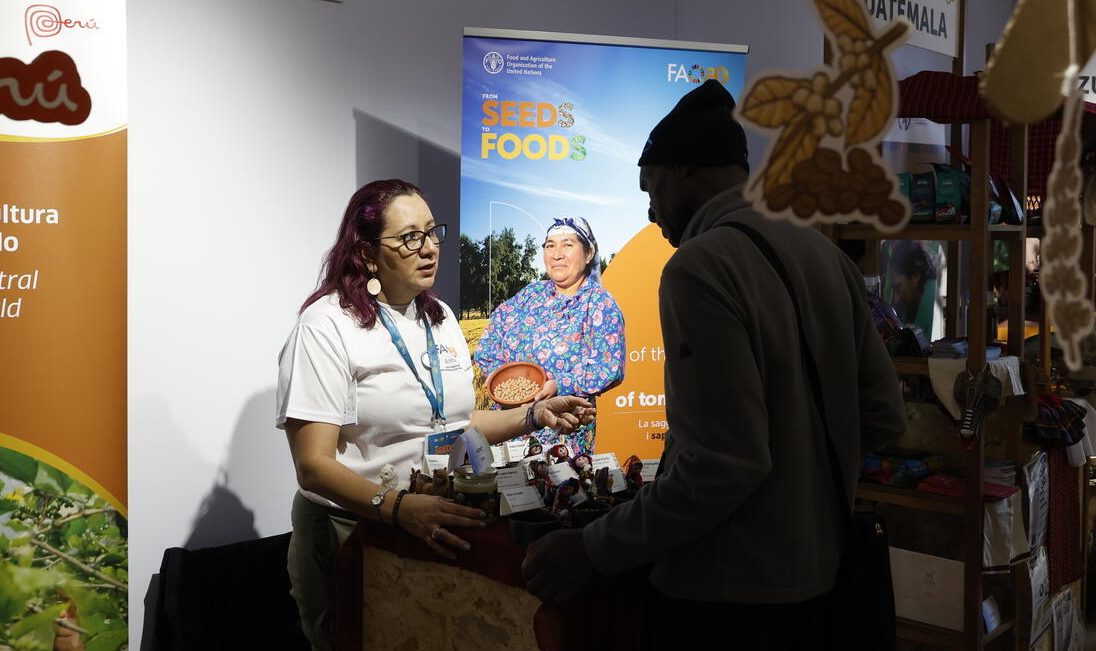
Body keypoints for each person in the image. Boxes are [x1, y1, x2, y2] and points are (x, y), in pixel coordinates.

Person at [522, 80, 907, 648]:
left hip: (728, 596)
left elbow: (721, 465)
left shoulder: (699, 266)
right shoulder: (825, 255)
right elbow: (883, 416)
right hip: (825, 579)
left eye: (651, 187)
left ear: (683, 170)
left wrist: (592, 547)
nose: (650, 210)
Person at [276, 179, 595, 650]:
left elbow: (455, 425)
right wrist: (399, 508)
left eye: (431, 232)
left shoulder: (440, 318)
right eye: (410, 238)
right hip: (353, 529)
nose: (429, 248)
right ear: (366, 254)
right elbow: (313, 465)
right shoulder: (327, 326)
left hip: (430, 518)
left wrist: (534, 414)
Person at [474, 216, 626, 456]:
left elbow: (608, 367)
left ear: (588, 254)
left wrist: (559, 385)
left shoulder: (599, 303)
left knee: (554, 479)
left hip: (561, 432)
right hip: (508, 428)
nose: (557, 254)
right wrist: (498, 376)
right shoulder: (530, 294)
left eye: (567, 245)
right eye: (550, 246)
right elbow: (490, 340)